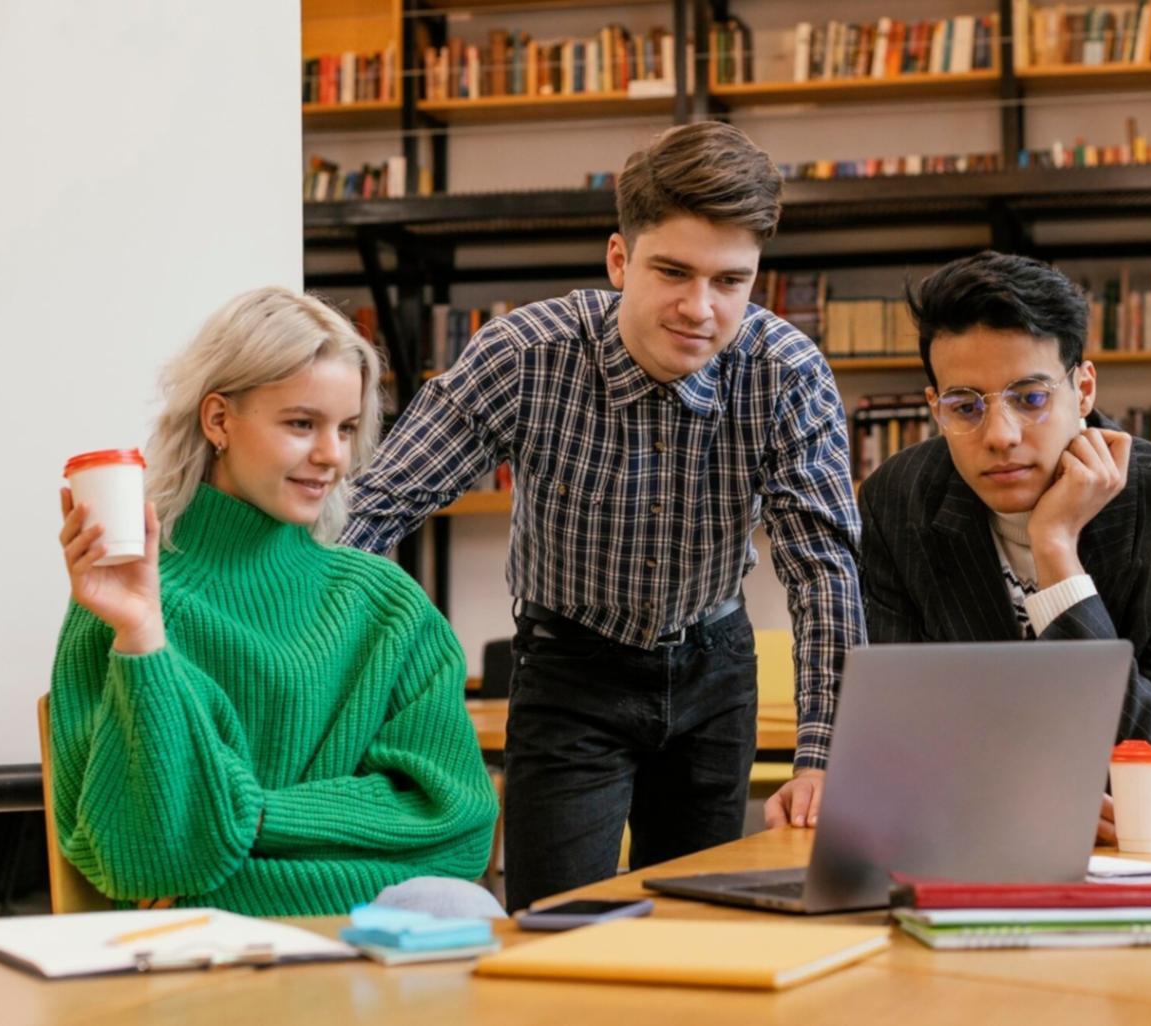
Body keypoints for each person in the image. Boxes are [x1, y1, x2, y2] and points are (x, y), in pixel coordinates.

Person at [340, 122, 867, 911]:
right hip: (569, 668)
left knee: (701, 926)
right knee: (562, 924)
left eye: (730, 281)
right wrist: (309, 673)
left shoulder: (786, 374)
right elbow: (377, 507)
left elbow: (822, 569)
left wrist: (827, 755)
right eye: (672, 272)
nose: (700, 309)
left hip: (713, 671)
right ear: (619, 259)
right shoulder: (525, 354)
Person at [50, 286, 501, 917]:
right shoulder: (128, 604)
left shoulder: (388, 608)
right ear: (218, 420)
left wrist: (243, 818)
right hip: (207, 970)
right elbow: (142, 862)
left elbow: (457, 832)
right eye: (301, 423)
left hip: (370, 951)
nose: (332, 456)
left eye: (345, 429)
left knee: (463, 907)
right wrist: (142, 637)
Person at [858, 251, 1151, 846]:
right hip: (999, 831)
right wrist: (1030, 800)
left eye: (1030, 398)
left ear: (1082, 389)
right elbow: (898, 733)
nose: (1000, 436)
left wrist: (1055, 550)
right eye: (965, 407)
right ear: (936, 409)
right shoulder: (897, 505)